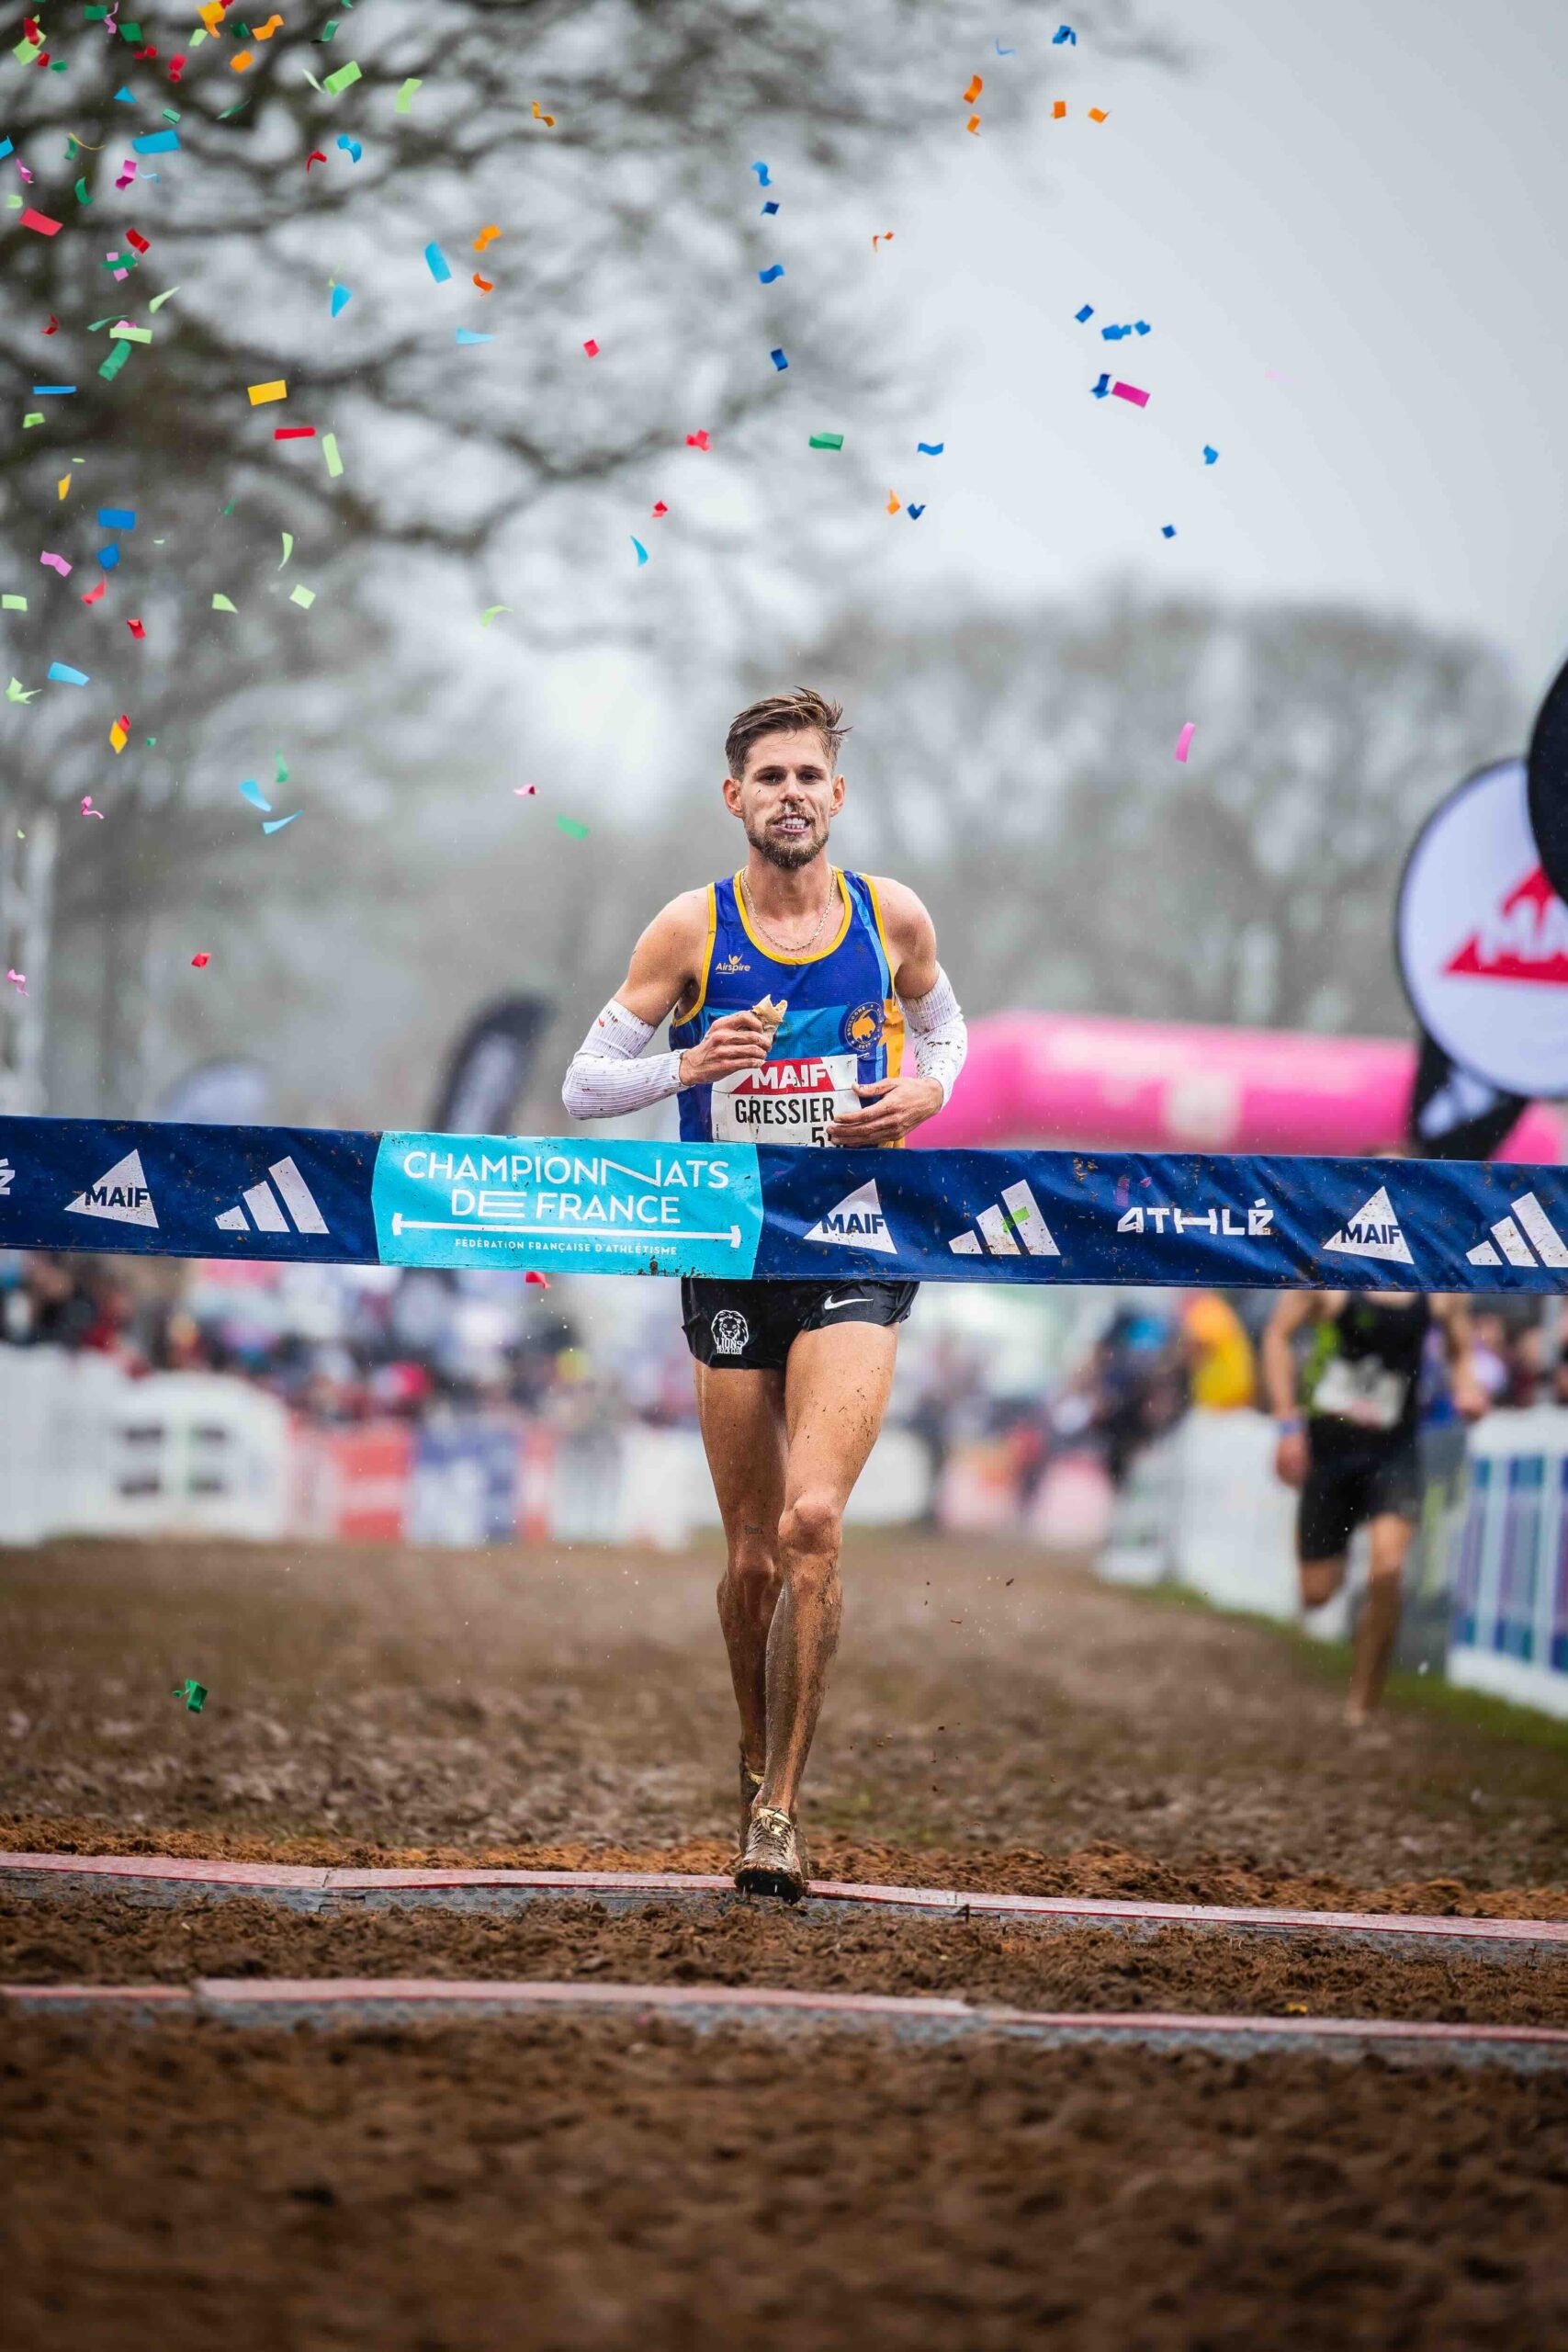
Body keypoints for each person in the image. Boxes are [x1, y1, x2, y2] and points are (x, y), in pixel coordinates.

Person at [561, 687, 966, 1898]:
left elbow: (947, 1034)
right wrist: (687, 1064)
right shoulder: (688, 930)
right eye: (768, 777)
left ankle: (780, 1812)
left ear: (835, 797)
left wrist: (928, 1096)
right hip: (728, 1251)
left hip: (851, 1242)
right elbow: (585, 1085)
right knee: (745, 1557)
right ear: (732, 798)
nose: (790, 793)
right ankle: (753, 1755)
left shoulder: (889, 917)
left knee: (811, 1525)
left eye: (809, 776)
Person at [1261, 1288, 1486, 1726]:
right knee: (1318, 1592)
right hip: (1331, 1449)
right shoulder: (1329, 1278)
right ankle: (1335, 1561)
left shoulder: (1439, 1294)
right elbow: (1276, 1335)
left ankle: (1361, 1703)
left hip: (1393, 1450)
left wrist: (1468, 1388)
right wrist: (1287, 1421)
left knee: (1387, 1570)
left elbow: (1461, 1350)